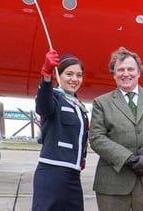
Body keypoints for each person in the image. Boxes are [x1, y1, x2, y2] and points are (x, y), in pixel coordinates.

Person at [89, 46, 143, 211]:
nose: (125, 74)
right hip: (113, 183)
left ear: (139, 72)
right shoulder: (101, 102)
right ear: (113, 74)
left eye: (130, 69)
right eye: (120, 70)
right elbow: (97, 138)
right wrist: (128, 159)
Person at [32, 50, 89, 211]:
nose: (74, 79)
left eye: (79, 75)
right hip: (52, 173)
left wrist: (81, 157)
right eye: (69, 74)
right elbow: (43, 106)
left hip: (72, 175)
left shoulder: (77, 104)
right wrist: (46, 75)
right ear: (58, 75)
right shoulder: (54, 98)